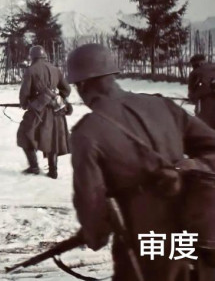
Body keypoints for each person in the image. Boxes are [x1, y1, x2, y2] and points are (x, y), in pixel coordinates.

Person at [68, 43, 215, 280]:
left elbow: (91, 200)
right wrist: (194, 166)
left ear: (82, 85)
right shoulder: (162, 105)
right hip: (195, 231)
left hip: (145, 244)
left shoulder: (87, 133)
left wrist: (95, 235)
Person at [16, 45, 71, 178]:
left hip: (38, 111)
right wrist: (57, 98)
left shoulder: (31, 70)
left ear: (32, 56)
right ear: (44, 56)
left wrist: (24, 104)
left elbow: (24, 93)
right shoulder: (55, 69)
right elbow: (67, 89)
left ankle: (34, 167)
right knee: (52, 138)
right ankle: (53, 170)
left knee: (24, 134)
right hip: (56, 110)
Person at [188, 53, 215, 129]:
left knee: (203, 123)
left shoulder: (195, 73)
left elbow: (191, 90)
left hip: (206, 99)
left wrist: (192, 98)